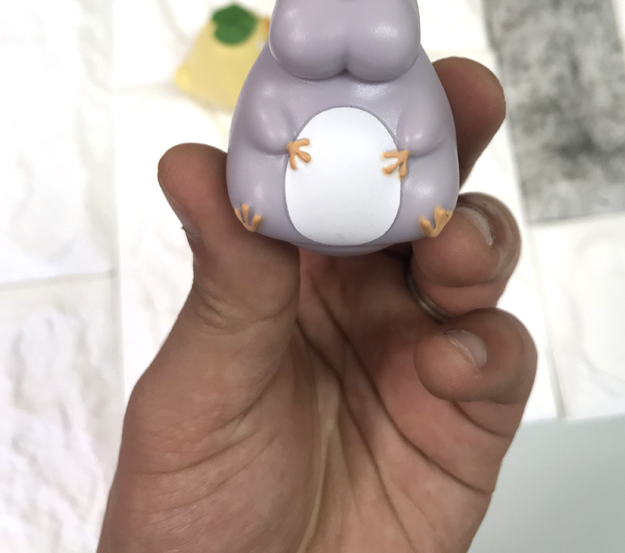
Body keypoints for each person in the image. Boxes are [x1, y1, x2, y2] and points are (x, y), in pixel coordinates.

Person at [97, 58, 536, 553]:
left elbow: (427, 130)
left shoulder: (402, 73)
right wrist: (278, 143)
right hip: (291, 194)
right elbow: (263, 121)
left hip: (394, 195)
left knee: (455, 231)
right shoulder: (280, 70)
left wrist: (414, 148)